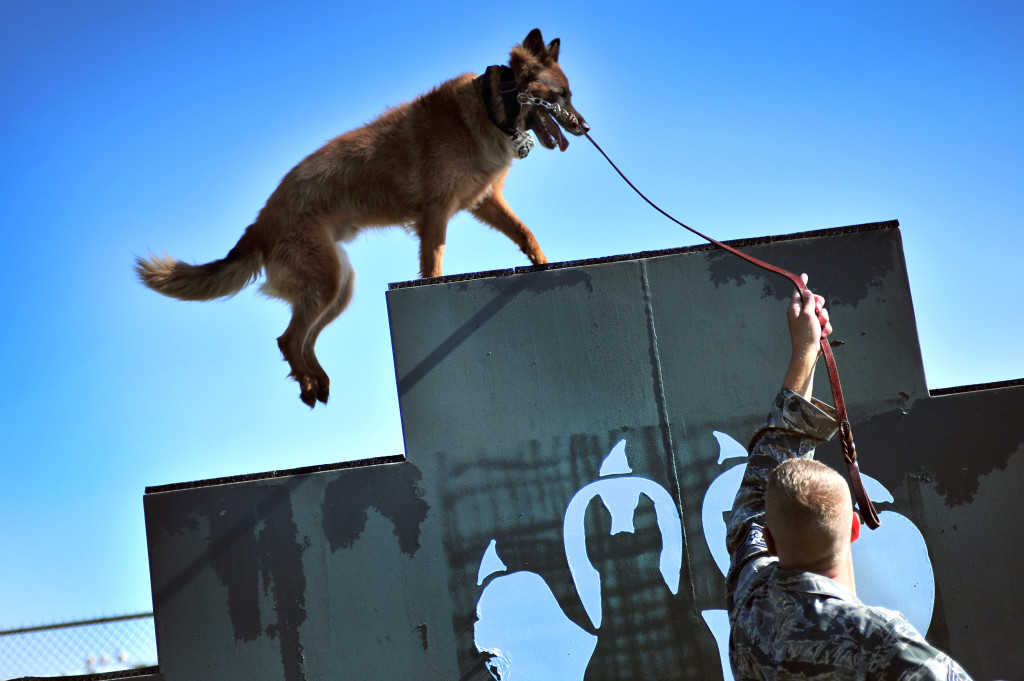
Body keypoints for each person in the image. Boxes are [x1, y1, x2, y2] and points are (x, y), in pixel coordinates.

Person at [725, 275, 972, 680]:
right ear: (854, 528)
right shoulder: (884, 645)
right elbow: (758, 497)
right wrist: (805, 348)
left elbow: (757, 493)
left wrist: (805, 350)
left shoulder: (752, 604)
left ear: (768, 539)